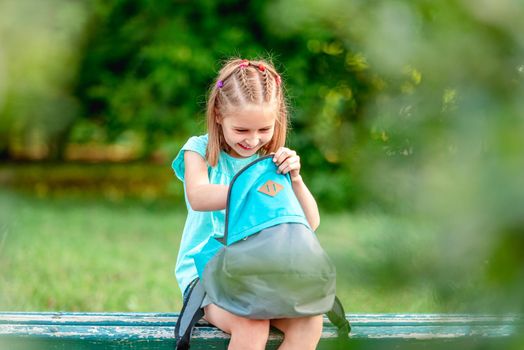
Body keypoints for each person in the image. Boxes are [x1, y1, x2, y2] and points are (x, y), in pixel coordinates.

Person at [172, 58, 322, 350]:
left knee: (310, 321)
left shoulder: (271, 163)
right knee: (252, 324)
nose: (253, 140)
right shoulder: (199, 150)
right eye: (242, 130)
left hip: (260, 274)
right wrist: (254, 190)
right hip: (207, 276)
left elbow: (310, 223)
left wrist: (295, 180)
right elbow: (199, 196)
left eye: (263, 130)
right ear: (218, 115)